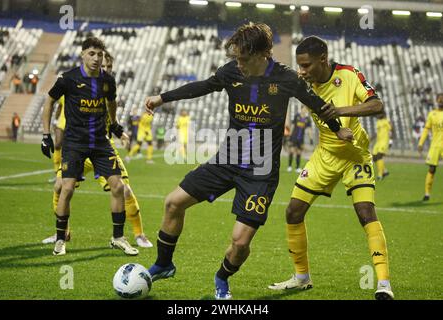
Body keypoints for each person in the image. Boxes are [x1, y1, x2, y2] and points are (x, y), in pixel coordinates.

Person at [143, 23, 351, 300]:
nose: (238, 64)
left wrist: (338, 128)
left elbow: (314, 102)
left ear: (263, 54)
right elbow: (204, 86)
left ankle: (222, 277)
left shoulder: (286, 78)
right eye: (236, 58)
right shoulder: (231, 73)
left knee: (240, 243)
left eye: (243, 58)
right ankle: (164, 264)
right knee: (172, 202)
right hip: (226, 160)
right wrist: (162, 98)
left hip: (260, 172)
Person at [268, 36, 394, 300]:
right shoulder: (302, 82)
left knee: (365, 213)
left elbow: (377, 104)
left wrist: (341, 110)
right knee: (293, 211)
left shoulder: (349, 75)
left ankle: (383, 284)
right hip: (324, 154)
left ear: (323, 60)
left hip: (355, 154)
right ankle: (301, 277)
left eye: (306, 65)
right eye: (299, 66)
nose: (302, 71)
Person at [42, 50, 152, 249]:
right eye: (104, 65)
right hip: (78, 147)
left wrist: (119, 131)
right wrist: (54, 129)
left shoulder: (107, 88)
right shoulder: (74, 84)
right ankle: (62, 233)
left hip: (102, 148)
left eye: (109, 66)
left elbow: (112, 117)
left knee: (124, 190)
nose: (105, 69)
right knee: (60, 187)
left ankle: (138, 234)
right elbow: (56, 104)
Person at [417, 93, 443, 201]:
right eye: (439, 99)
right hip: (435, 145)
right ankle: (427, 193)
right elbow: (426, 129)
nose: (440, 101)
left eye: (442, 99)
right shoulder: (432, 114)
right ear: (436, 100)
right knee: (432, 169)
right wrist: (421, 143)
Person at [287, 105, 313, 173]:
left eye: (306, 109)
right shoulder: (297, 116)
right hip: (294, 137)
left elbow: (309, 129)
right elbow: (292, 125)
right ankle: (289, 166)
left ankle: (297, 168)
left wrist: (311, 138)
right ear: (301, 109)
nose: (305, 110)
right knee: (292, 151)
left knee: (299, 152)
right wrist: (290, 135)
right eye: (304, 109)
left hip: (301, 138)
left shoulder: (307, 119)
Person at [372, 112, 392, 180]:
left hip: (384, 141)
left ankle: (380, 175)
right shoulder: (378, 122)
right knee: (374, 157)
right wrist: (371, 138)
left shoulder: (387, 121)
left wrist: (391, 141)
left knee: (379, 156)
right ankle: (385, 171)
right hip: (378, 142)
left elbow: (391, 130)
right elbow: (377, 132)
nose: (377, 115)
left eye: (378, 114)